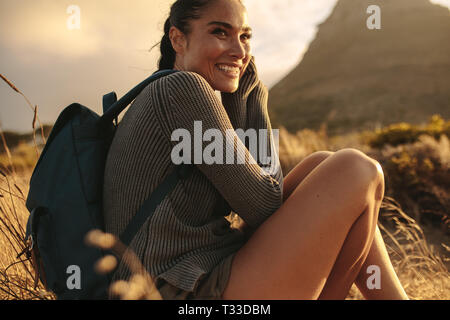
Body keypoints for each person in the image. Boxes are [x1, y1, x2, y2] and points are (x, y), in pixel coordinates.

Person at [103, 0, 409, 300]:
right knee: (356, 169)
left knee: (322, 163)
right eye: (220, 32)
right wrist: (252, 94)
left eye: (245, 36)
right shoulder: (182, 89)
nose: (239, 51)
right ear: (178, 39)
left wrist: (241, 97)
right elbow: (265, 204)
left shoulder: (166, 91)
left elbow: (256, 200)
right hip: (176, 290)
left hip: (202, 273)